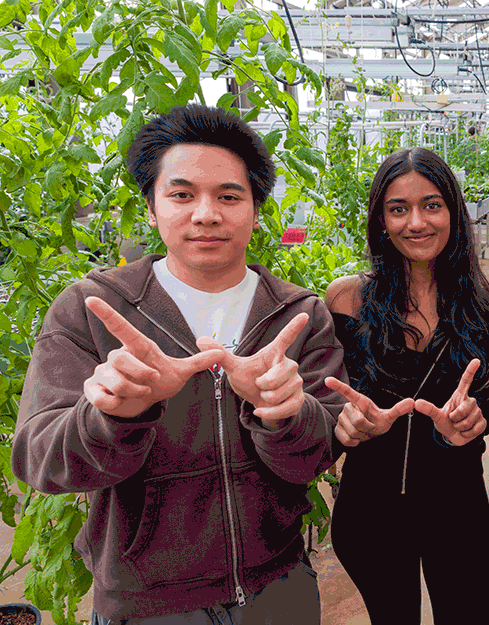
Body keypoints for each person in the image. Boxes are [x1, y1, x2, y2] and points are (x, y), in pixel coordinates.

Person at [12, 104, 347, 624]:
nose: (206, 214)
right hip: (150, 603)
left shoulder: (298, 314)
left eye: (229, 196)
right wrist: (112, 417)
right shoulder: (95, 310)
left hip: (278, 586)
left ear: (257, 209)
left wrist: (283, 414)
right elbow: (40, 461)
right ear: (151, 206)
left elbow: (319, 453)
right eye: (182, 194)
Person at [323, 147, 489, 625]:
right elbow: (327, 396)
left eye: (432, 205)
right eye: (398, 208)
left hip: (457, 507)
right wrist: (349, 423)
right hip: (371, 509)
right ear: (380, 219)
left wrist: (470, 421)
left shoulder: (485, 306)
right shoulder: (348, 299)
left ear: (453, 212)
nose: (416, 222)